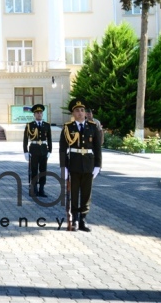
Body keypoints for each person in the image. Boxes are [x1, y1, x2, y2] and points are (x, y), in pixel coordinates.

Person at [59, 98, 102, 232]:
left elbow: (97, 147)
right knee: (74, 193)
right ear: (73, 113)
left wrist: (98, 165)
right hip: (74, 164)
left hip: (89, 164)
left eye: (82, 110)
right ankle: (76, 219)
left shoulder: (93, 127)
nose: (80, 113)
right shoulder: (68, 128)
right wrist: (63, 167)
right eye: (77, 111)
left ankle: (83, 219)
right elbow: (62, 149)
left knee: (86, 193)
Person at [23, 104, 52, 197]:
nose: (39, 114)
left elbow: (49, 139)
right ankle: (34, 189)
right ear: (34, 114)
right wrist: (25, 151)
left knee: (43, 170)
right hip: (34, 150)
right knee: (34, 170)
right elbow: (25, 139)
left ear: (42, 114)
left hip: (43, 149)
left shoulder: (47, 125)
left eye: (40, 113)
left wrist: (50, 150)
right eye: (37, 113)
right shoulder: (29, 125)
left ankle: (42, 189)